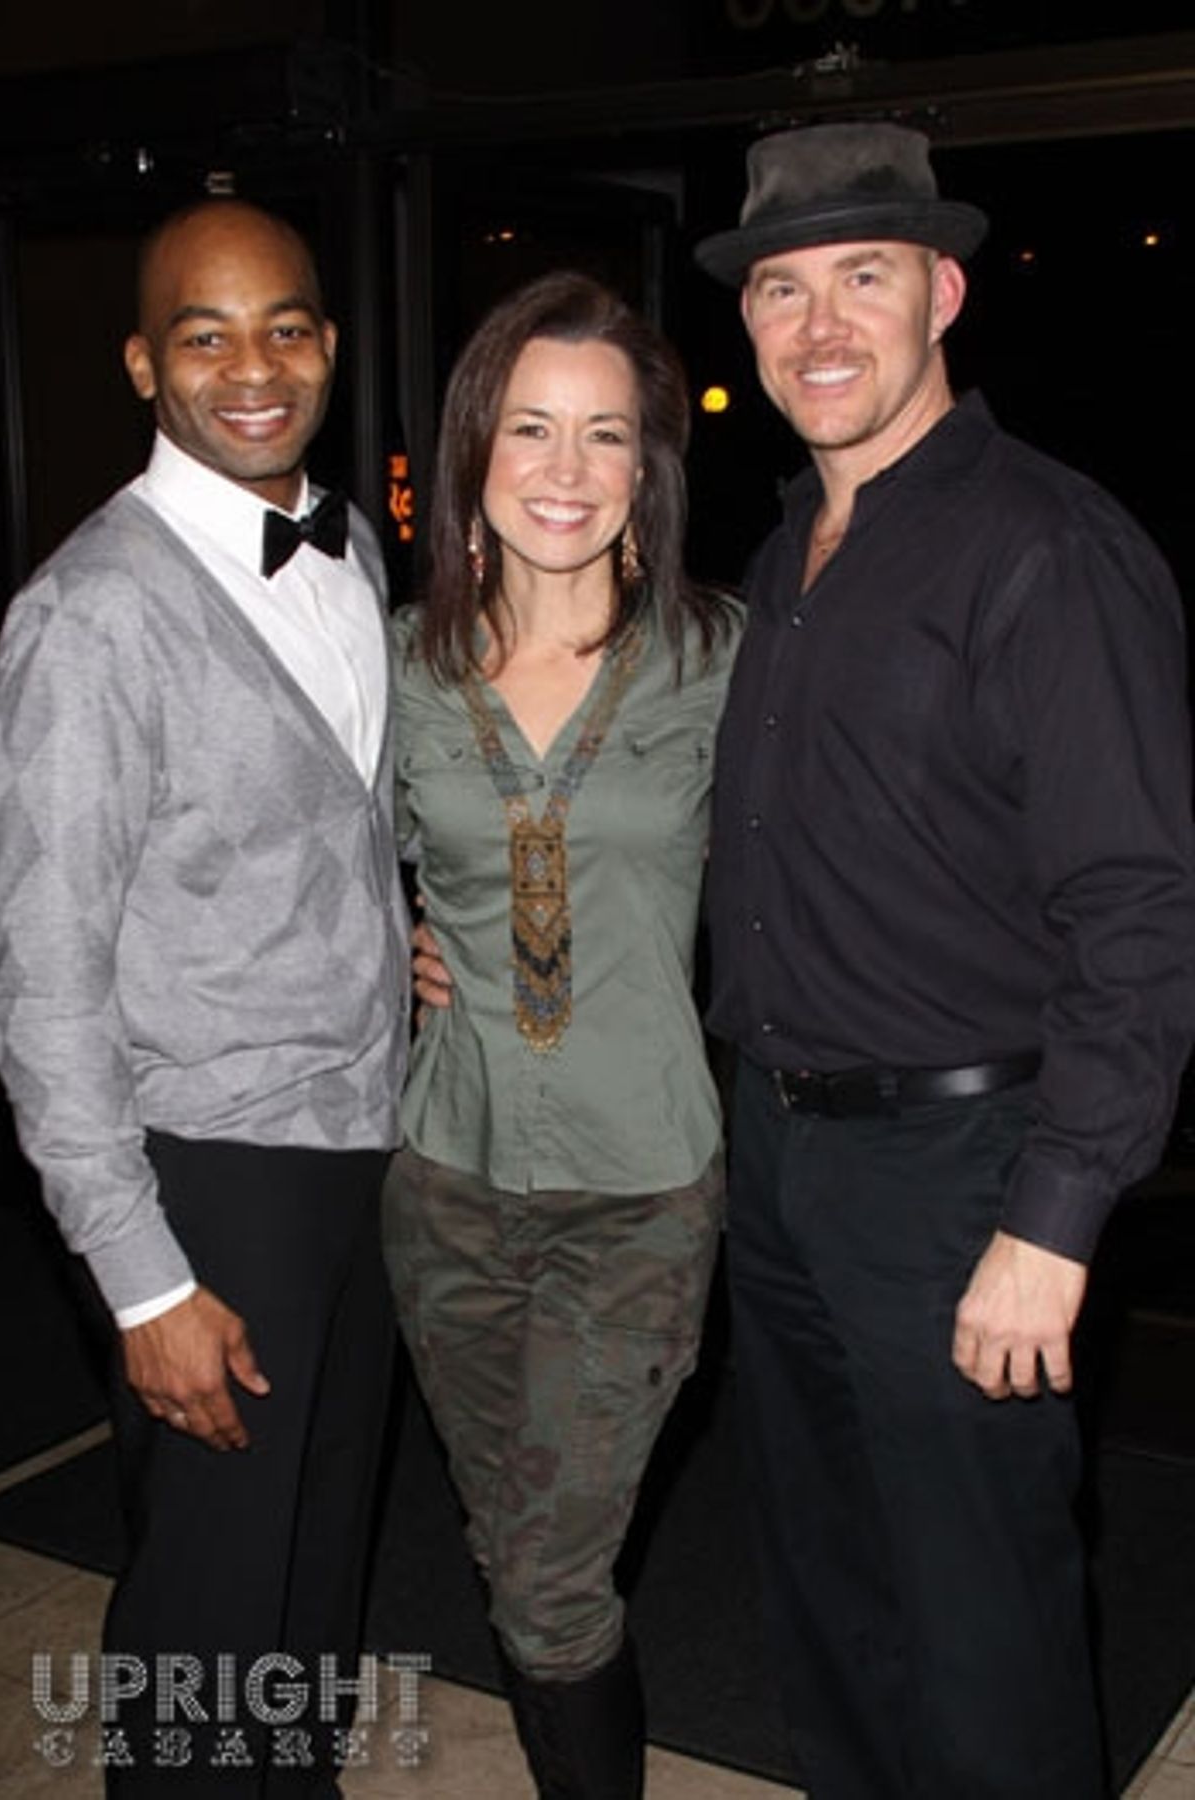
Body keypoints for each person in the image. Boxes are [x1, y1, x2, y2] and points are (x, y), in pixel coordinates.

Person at [694, 122, 1195, 1798]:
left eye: (864, 278)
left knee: (986, 1633)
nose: (819, 326)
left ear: (944, 294)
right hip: (780, 1158)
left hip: (959, 1173)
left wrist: (1052, 1222)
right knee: (833, 1604)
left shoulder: (1046, 550)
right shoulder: (786, 561)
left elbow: (1138, 912)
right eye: (783, 287)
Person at [0, 199, 410, 1795]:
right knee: (209, 1628)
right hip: (210, 1177)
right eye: (204, 334)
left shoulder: (353, 544)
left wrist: (401, 942)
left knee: (311, 1603)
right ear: (139, 364)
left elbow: (330, 832)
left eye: (287, 325)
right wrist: (143, 1278)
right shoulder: (90, 615)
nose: (255, 368)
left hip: (359, 1154)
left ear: (329, 343)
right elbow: (42, 977)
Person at [382, 270, 740, 1800]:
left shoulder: (726, 659)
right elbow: (287, 868)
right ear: (474, 454)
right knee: (502, 1531)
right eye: (530, 428)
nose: (566, 470)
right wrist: (374, 953)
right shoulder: (391, 666)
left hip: (640, 1193)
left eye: (604, 435)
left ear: (646, 467)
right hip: (445, 1182)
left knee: (547, 1571)